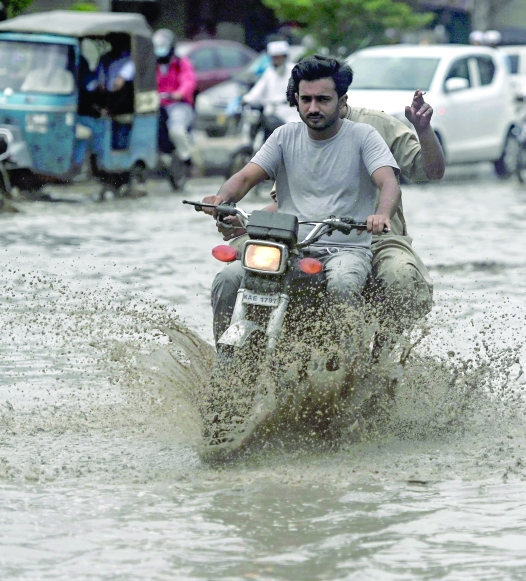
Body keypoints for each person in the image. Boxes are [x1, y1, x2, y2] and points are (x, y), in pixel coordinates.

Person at [201, 55, 401, 345]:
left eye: (323, 100)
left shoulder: (363, 136)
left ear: (342, 100)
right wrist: (222, 198)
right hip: (285, 245)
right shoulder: (284, 136)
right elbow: (246, 177)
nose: (313, 108)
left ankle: (350, 361)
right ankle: (225, 363)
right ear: (295, 99)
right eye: (305, 100)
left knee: (344, 285)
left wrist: (381, 214)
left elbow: (388, 181)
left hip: (344, 249)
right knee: (228, 279)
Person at [153, 29, 196, 165]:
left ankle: (186, 157)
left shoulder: (181, 63)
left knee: (176, 130)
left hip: (178, 105)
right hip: (157, 105)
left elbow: (189, 81)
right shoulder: (152, 65)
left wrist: (179, 93)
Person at [242, 40, 300, 125]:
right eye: (274, 57)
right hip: (271, 112)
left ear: (285, 57)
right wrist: (246, 99)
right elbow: (258, 90)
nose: (276, 60)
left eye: (279, 57)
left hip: (290, 113)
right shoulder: (269, 72)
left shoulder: (295, 71)